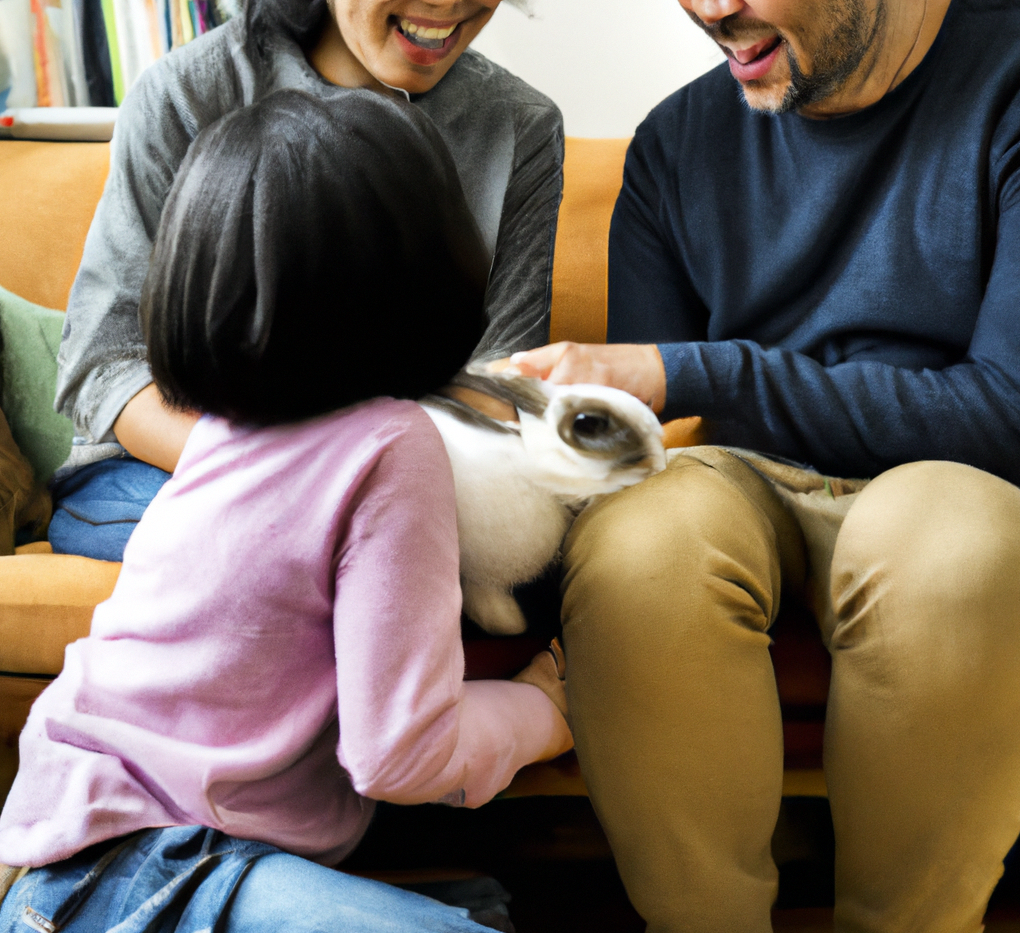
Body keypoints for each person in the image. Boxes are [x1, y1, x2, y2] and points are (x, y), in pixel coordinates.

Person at [0, 89, 572, 932]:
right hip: (153, 872)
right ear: (429, 267)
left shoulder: (230, 428)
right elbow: (400, 755)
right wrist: (546, 711)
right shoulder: (390, 441)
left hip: (57, 854)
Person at [508, 0, 1020, 930]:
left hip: (956, 479)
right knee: (637, 542)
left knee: (950, 548)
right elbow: (644, 437)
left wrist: (693, 369)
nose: (709, 7)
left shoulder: (1008, 80)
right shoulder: (675, 144)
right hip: (743, 478)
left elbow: (1008, 412)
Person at [49, 0, 562, 562]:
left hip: (401, 478)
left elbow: (500, 381)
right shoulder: (185, 93)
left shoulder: (520, 125)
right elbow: (104, 365)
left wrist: (382, 491)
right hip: (173, 466)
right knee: (273, 555)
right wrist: (308, 486)